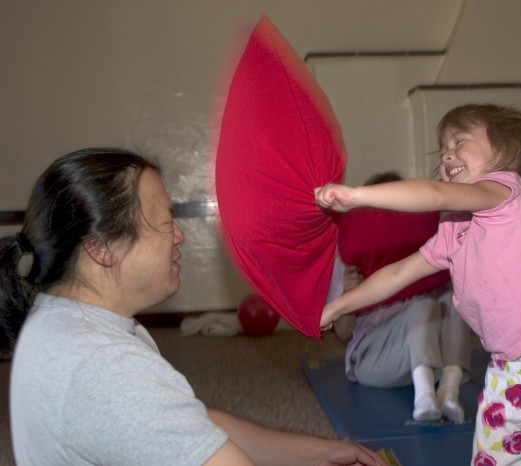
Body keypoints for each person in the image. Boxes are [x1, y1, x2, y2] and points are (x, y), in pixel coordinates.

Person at [0, 147, 386, 466]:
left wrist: (323, 453)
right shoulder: (107, 367)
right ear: (101, 247)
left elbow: (193, 425)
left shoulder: (63, 319)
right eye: (166, 219)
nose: (180, 234)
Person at [315, 104, 521, 465]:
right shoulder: (454, 230)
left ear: (506, 152)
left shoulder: (505, 191)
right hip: (505, 370)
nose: (448, 153)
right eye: (442, 150)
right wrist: (336, 306)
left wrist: (356, 196)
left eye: (460, 140)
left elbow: (436, 195)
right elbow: (396, 274)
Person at [329, 171, 472, 423]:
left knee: (451, 300)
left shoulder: (422, 257)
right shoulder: (354, 264)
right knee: (423, 308)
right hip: (375, 359)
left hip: (432, 357)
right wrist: (350, 293)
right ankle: (425, 396)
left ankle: (449, 389)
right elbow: (342, 333)